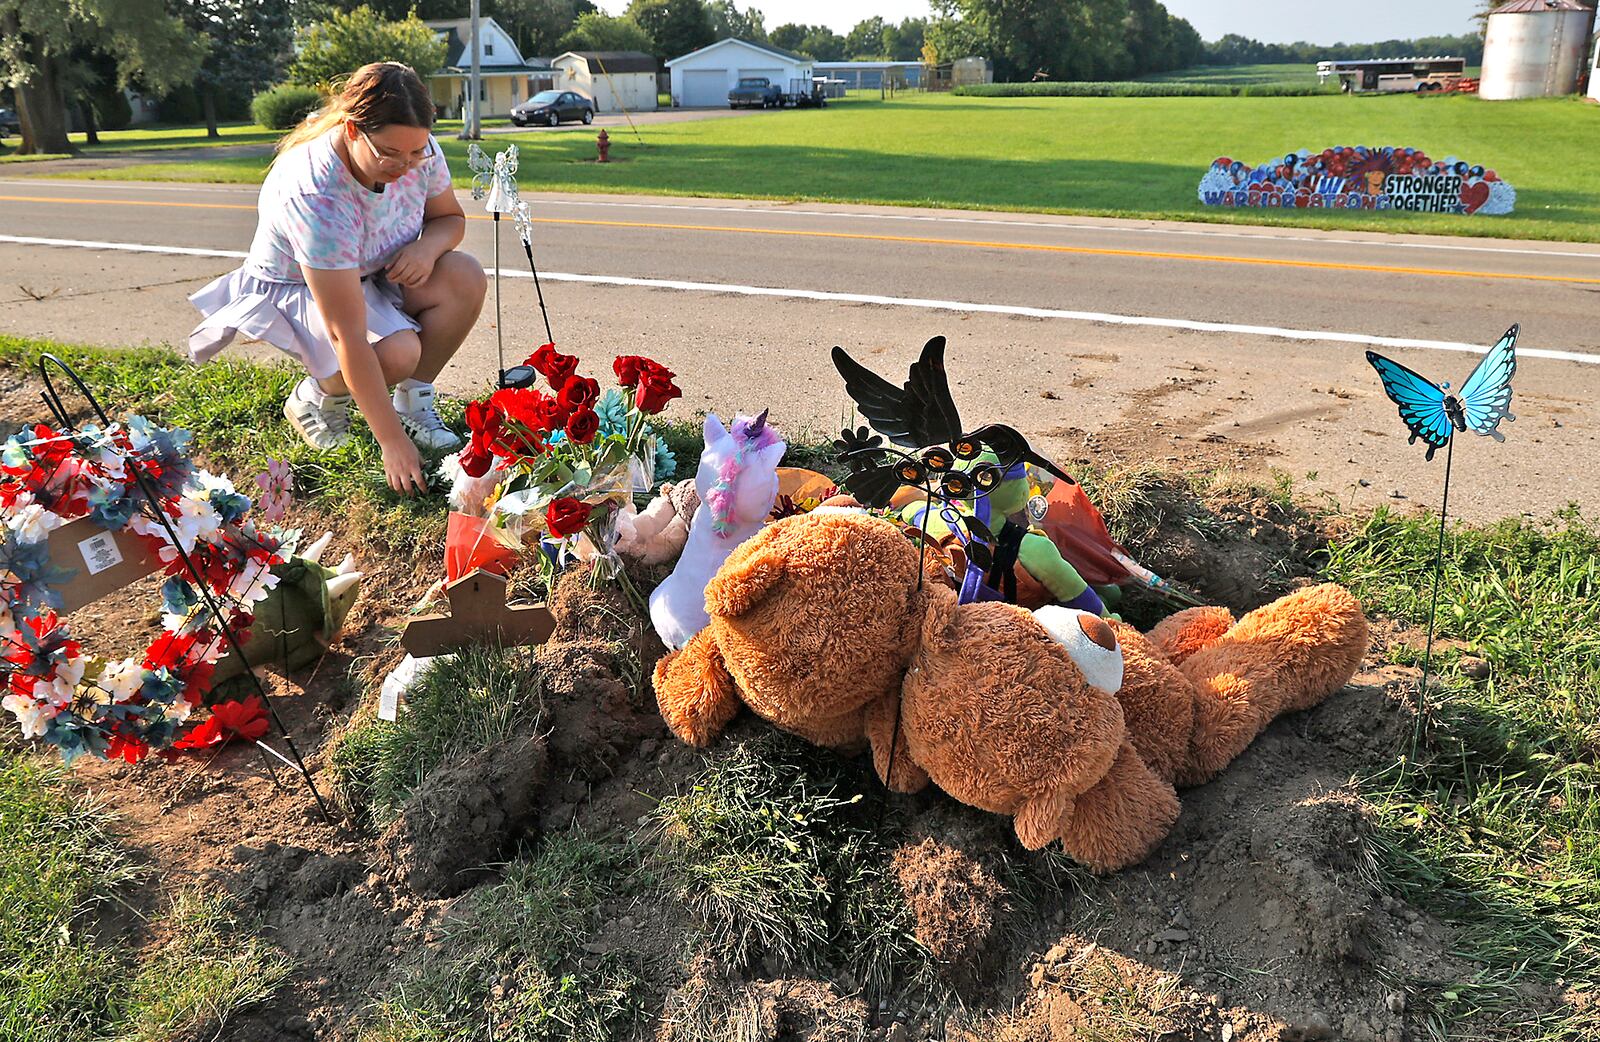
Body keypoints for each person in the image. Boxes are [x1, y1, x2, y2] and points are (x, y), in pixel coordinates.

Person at [189, 62, 486, 495]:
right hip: (301, 288)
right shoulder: (316, 194)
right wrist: (391, 443)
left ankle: (412, 402)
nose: (406, 166)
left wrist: (426, 248)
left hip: (373, 269)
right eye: (389, 154)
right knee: (397, 352)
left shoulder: (415, 149)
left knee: (465, 275)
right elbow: (345, 332)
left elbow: (449, 220)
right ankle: (318, 396)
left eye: (416, 152)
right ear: (351, 130)